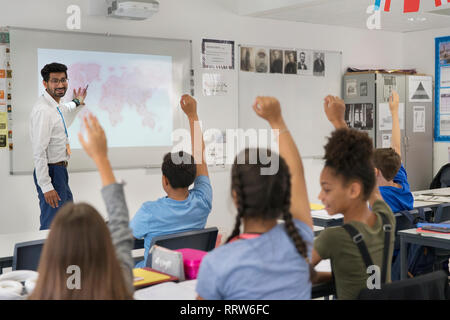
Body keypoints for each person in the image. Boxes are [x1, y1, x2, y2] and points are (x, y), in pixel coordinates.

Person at [196, 97, 314, 300]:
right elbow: (296, 173)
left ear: (236, 197)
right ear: (284, 194)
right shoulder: (300, 240)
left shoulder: (217, 263)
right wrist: (277, 121)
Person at [29, 114, 134, 299]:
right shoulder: (119, 286)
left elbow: (120, 227)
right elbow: (120, 225)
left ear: (50, 250)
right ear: (103, 242)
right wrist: (101, 158)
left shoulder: (40, 294)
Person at [312, 95, 395, 300]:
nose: (320, 195)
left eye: (327, 189)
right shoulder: (386, 220)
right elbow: (367, 177)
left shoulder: (332, 237)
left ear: (354, 190)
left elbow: (295, 274)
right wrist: (339, 123)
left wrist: (334, 277)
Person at [130, 95, 212, 268]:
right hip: (186, 273)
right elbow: (200, 158)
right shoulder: (203, 201)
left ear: (165, 180)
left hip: (153, 278)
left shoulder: (148, 212)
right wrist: (192, 116)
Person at [30, 62, 88, 230]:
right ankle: (46, 256)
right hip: (51, 172)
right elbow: (39, 151)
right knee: (52, 225)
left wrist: (77, 102)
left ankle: (65, 256)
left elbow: (65, 108)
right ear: (45, 83)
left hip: (60, 172)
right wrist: (47, 186)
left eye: (63, 80)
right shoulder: (44, 111)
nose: (61, 85)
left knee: (68, 220)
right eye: (55, 81)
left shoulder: (55, 106)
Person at [373, 91, 413, 213]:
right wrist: (394, 112)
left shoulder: (378, 197)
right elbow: (396, 147)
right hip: (397, 232)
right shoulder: (402, 186)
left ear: (375, 172)